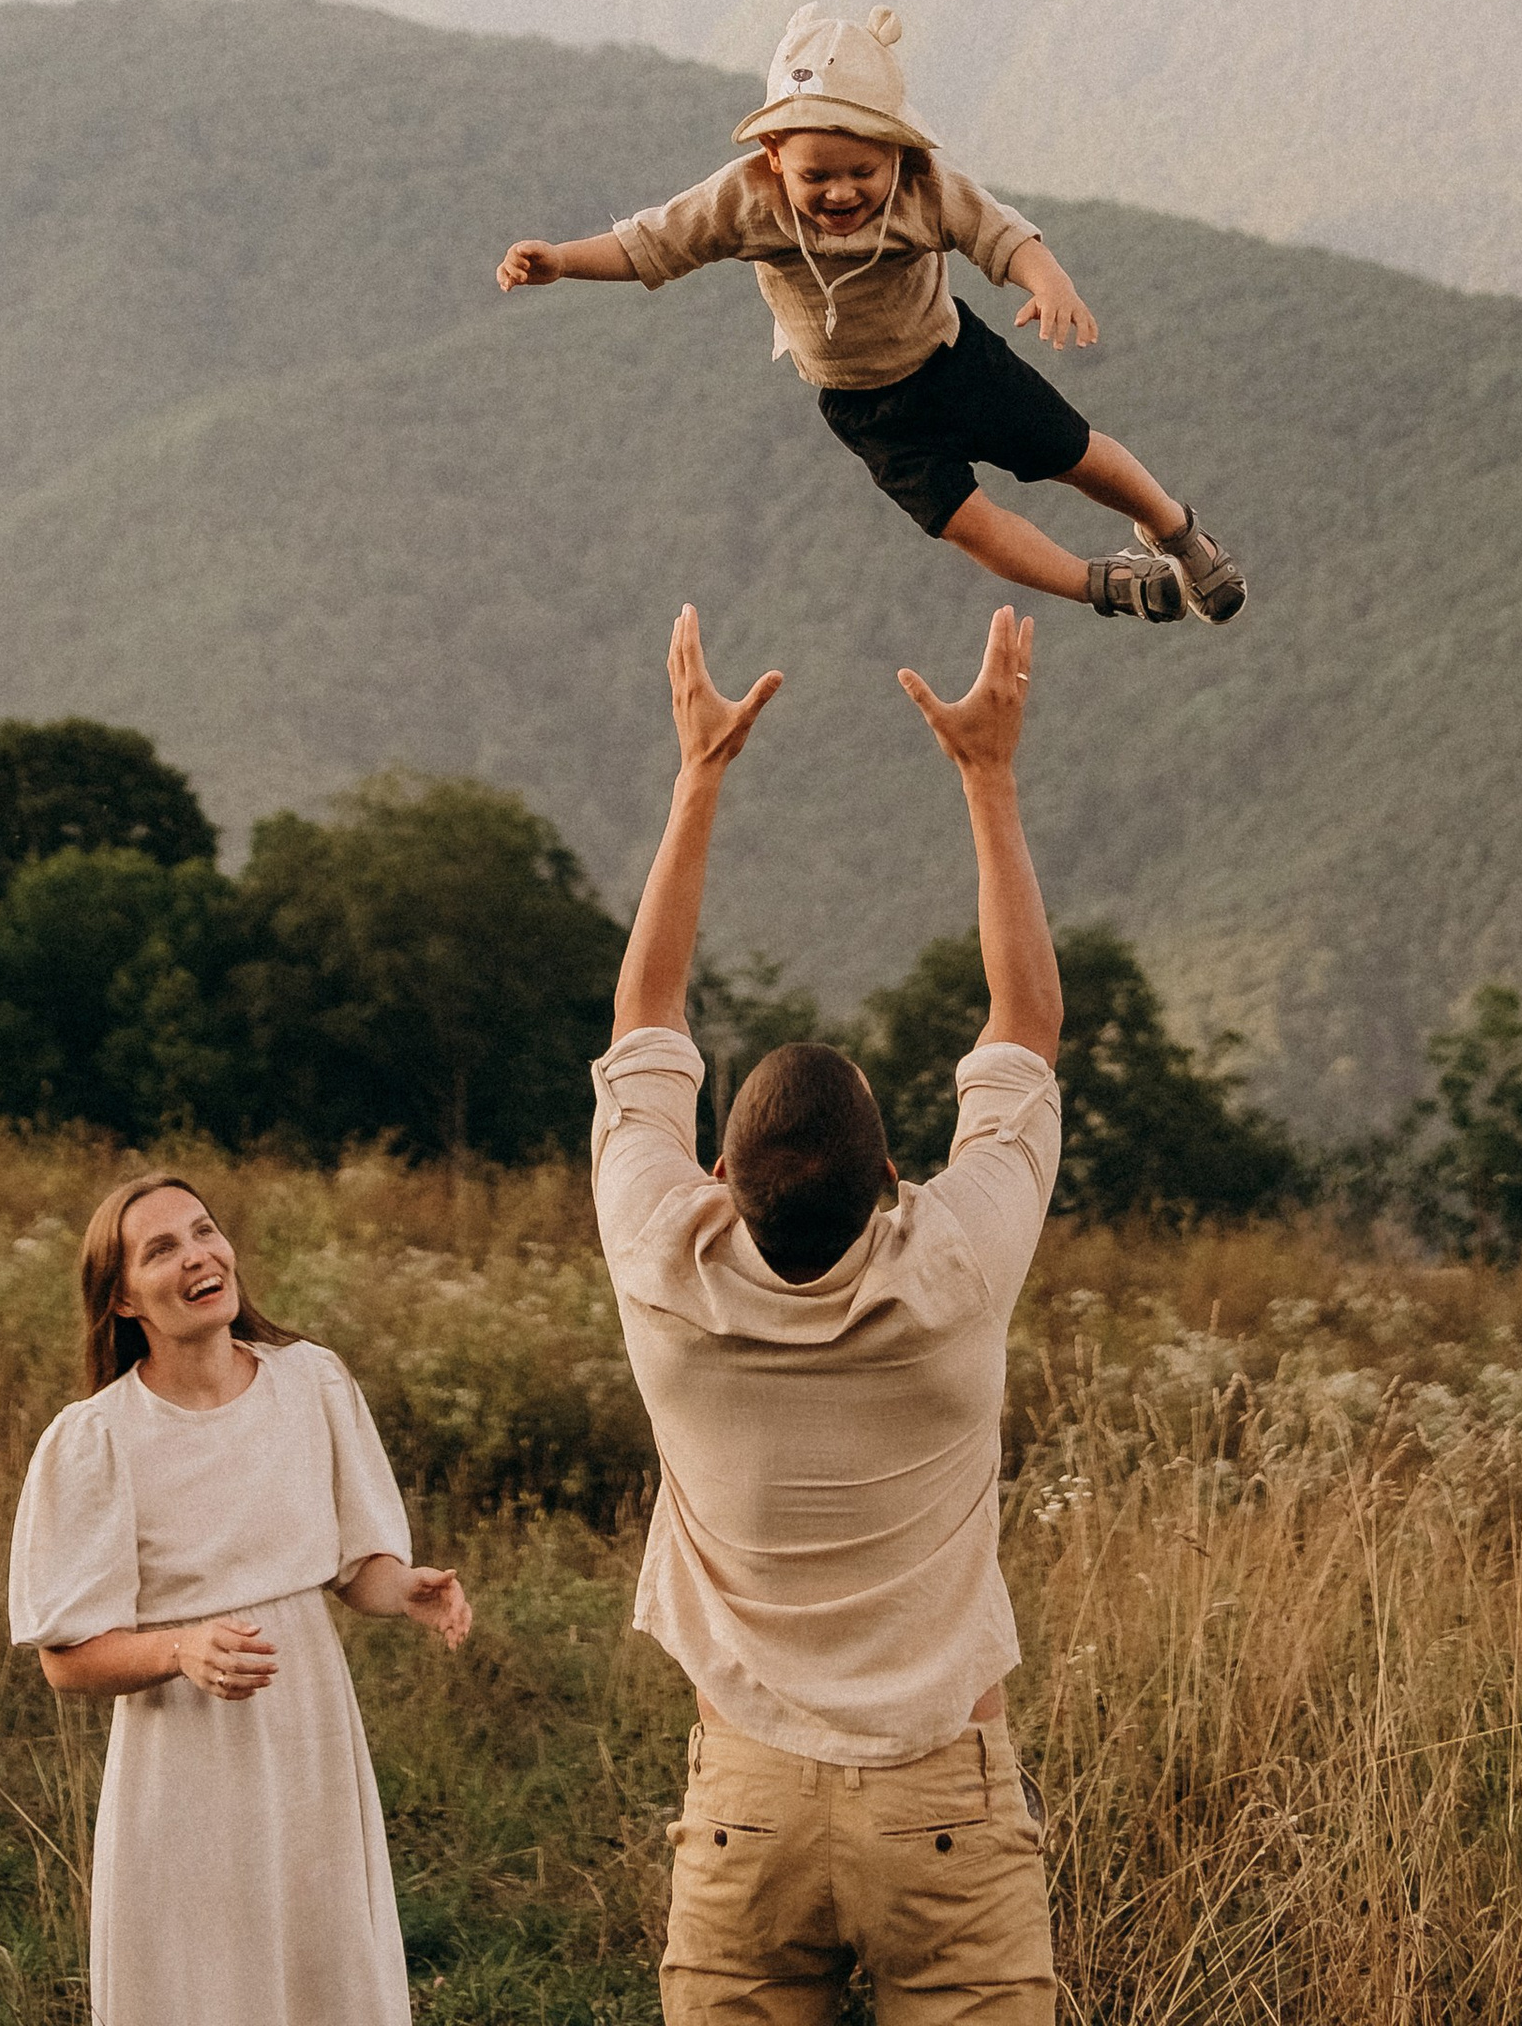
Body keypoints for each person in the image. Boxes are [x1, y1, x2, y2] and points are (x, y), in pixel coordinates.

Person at [593, 602, 1067, 2022]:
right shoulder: (952, 1269)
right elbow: (1024, 1027)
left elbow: (644, 1021)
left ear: (719, 1178)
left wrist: (698, 775)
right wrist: (988, 777)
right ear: (896, 1180)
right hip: (945, 1801)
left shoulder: (664, 1262)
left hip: (743, 1804)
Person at [499, 0, 1244, 625]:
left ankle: (1174, 529)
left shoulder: (924, 189)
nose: (841, 191)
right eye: (815, 174)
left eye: (864, 170)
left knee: (1073, 453)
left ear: (897, 153)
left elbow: (1002, 234)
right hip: (861, 407)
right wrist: (562, 259)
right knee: (968, 525)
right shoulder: (744, 199)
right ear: (773, 155)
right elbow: (650, 243)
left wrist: (1047, 283)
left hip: (955, 362)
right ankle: (1101, 584)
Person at [7, 1171, 472, 2026]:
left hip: (311, 1740)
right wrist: (180, 1648)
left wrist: (404, 1588)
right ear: (122, 1299)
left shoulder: (312, 1382)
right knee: (208, 1989)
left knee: (327, 1975)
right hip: (187, 1763)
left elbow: (354, 1567)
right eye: (161, 1249)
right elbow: (65, 1660)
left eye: (204, 1231)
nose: (198, 1256)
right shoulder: (97, 1439)